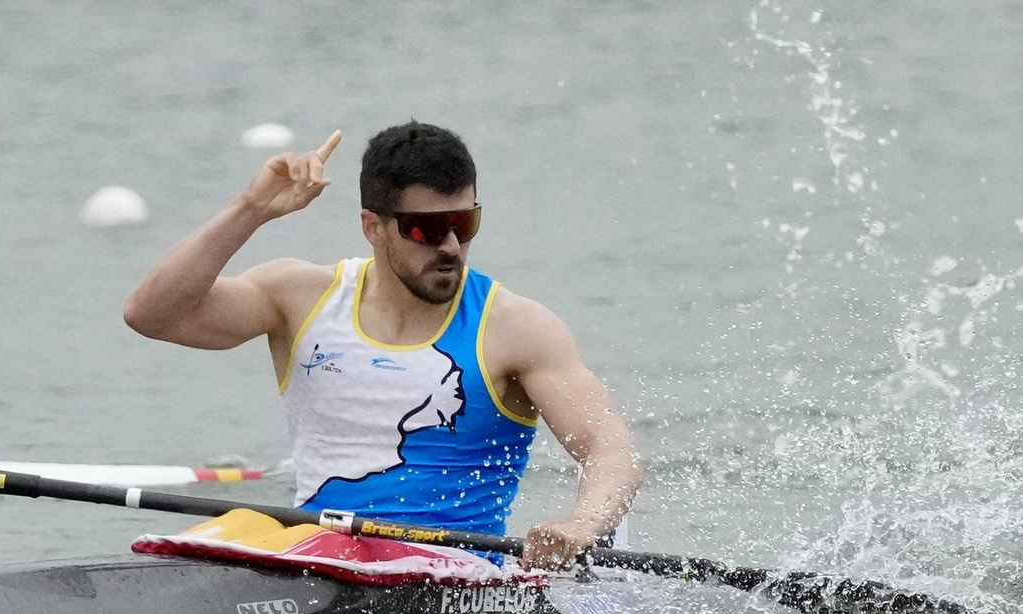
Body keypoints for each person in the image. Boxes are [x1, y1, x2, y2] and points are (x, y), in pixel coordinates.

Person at [124, 121, 641, 569]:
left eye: (465, 224)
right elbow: (152, 315)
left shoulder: (516, 327)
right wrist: (251, 208)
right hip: (315, 554)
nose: (451, 247)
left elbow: (609, 447)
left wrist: (582, 524)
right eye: (428, 228)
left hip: (451, 569)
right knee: (238, 525)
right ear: (374, 227)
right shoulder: (301, 297)